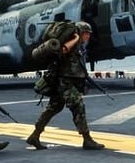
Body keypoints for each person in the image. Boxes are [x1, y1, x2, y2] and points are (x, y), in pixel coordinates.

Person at [27, 21, 105, 150]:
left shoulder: (80, 46)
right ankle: (87, 139)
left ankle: (34, 136)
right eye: (86, 34)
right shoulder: (72, 43)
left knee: (52, 108)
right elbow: (61, 51)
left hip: (65, 82)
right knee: (78, 106)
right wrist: (75, 39)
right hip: (64, 82)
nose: (88, 36)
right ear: (80, 33)